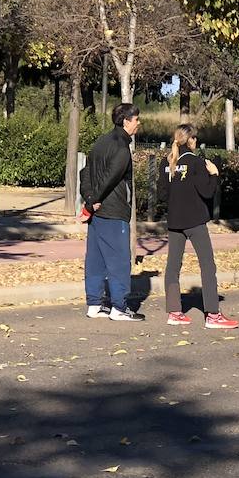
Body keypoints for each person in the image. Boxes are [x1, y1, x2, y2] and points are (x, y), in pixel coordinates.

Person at [158, 124, 239, 329]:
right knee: (207, 265)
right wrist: (214, 174)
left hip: (174, 222)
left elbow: (161, 195)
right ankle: (212, 314)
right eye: (196, 139)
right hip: (195, 222)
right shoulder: (196, 163)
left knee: (173, 266)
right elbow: (207, 192)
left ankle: (174, 312)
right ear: (191, 140)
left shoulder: (167, 163)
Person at [80, 102, 143, 321]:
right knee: (119, 261)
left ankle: (94, 304)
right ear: (126, 121)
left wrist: (89, 200)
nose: (138, 123)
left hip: (97, 213)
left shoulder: (100, 142)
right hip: (113, 212)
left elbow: (85, 173)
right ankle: (118, 307)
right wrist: (92, 200)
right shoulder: (121, 148)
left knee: (95, 260)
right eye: (136, 119)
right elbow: (110, 179)